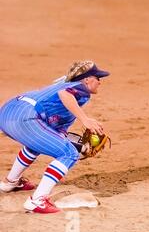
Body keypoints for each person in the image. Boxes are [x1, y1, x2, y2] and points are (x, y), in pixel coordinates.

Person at [0, 61, 110, 213]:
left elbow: (57, 130)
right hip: (24, 116)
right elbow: (65, 94)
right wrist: (85, 120)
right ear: (86, 79)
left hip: (10, 112)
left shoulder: (66, 87)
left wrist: (82, 147)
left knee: (37, 143)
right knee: (68, 153)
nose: (100, 81)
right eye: (97, 77)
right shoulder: (76, 88)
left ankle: (10, 182)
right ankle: (37, 201)